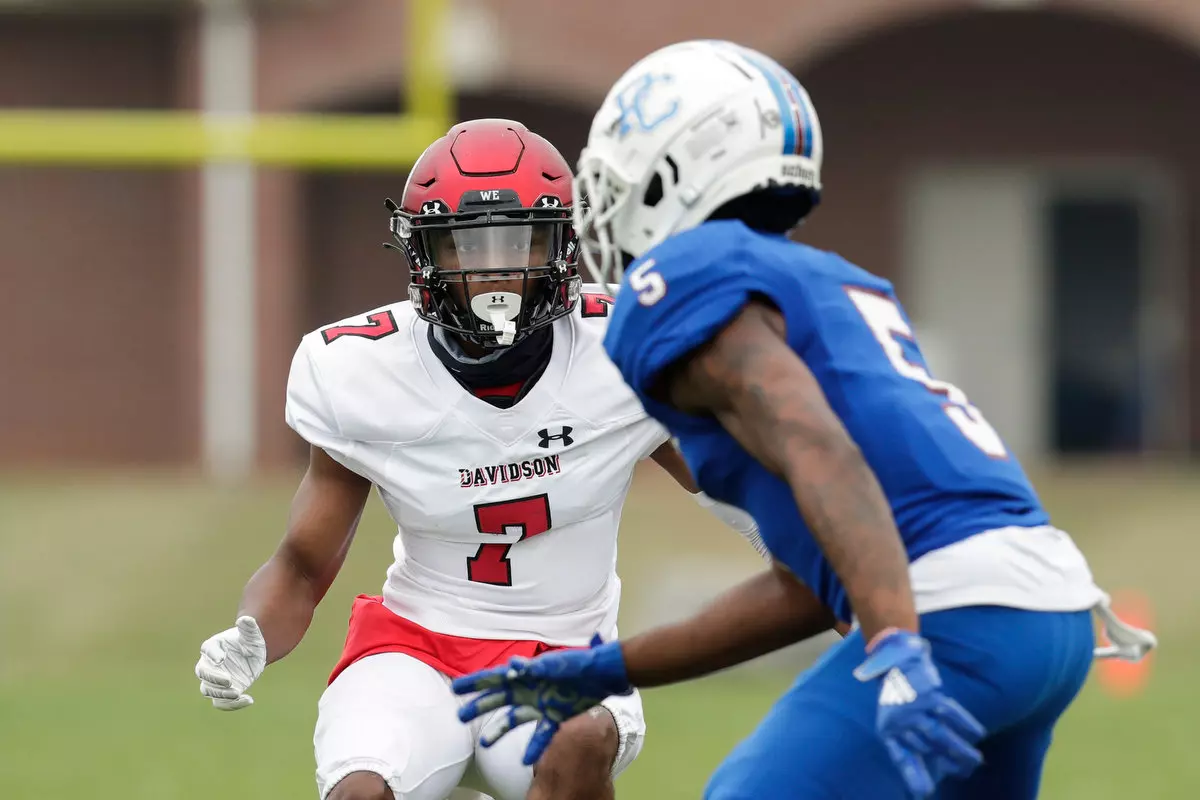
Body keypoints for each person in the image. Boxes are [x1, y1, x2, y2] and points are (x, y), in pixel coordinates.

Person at [450, 44, 1158, 799]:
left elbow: (818, 443)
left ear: (673, 170)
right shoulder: (836, 281)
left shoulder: (682, 279)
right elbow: (814, 585)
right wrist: (612, 667)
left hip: (949, 610)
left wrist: (894, 641)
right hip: (1045, 616)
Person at [193, 118, 768, 800]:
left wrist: (833, 566)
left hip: (565, 652)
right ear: (425, 254)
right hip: (416, 648)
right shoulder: (361, 371)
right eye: (469, 245)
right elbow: (304, 560)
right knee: (362, 792)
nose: (497, 269)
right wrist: (252, 633)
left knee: (579, 737)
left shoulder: (624, 346)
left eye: (519, 241)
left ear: (562, 245)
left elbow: (740, 490)